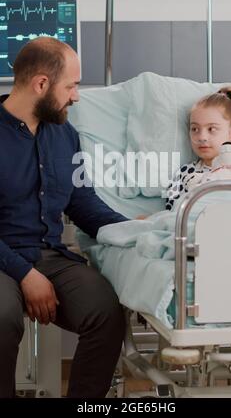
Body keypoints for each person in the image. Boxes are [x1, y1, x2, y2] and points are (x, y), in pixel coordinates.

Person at [0, 37, 127, 398]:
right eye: (71, 85)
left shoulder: (64, 135)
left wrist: (132, 229)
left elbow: (82, 202)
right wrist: (25, 275)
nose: (76, 96)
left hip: (51, 256)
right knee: (1, 319)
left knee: (105, 313)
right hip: (4, 259)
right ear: (41, 84)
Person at [165, 86, 231, 210]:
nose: (202, 137)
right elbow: (170, 214)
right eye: (195, 129)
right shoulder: (184, 173)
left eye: (212, 129)